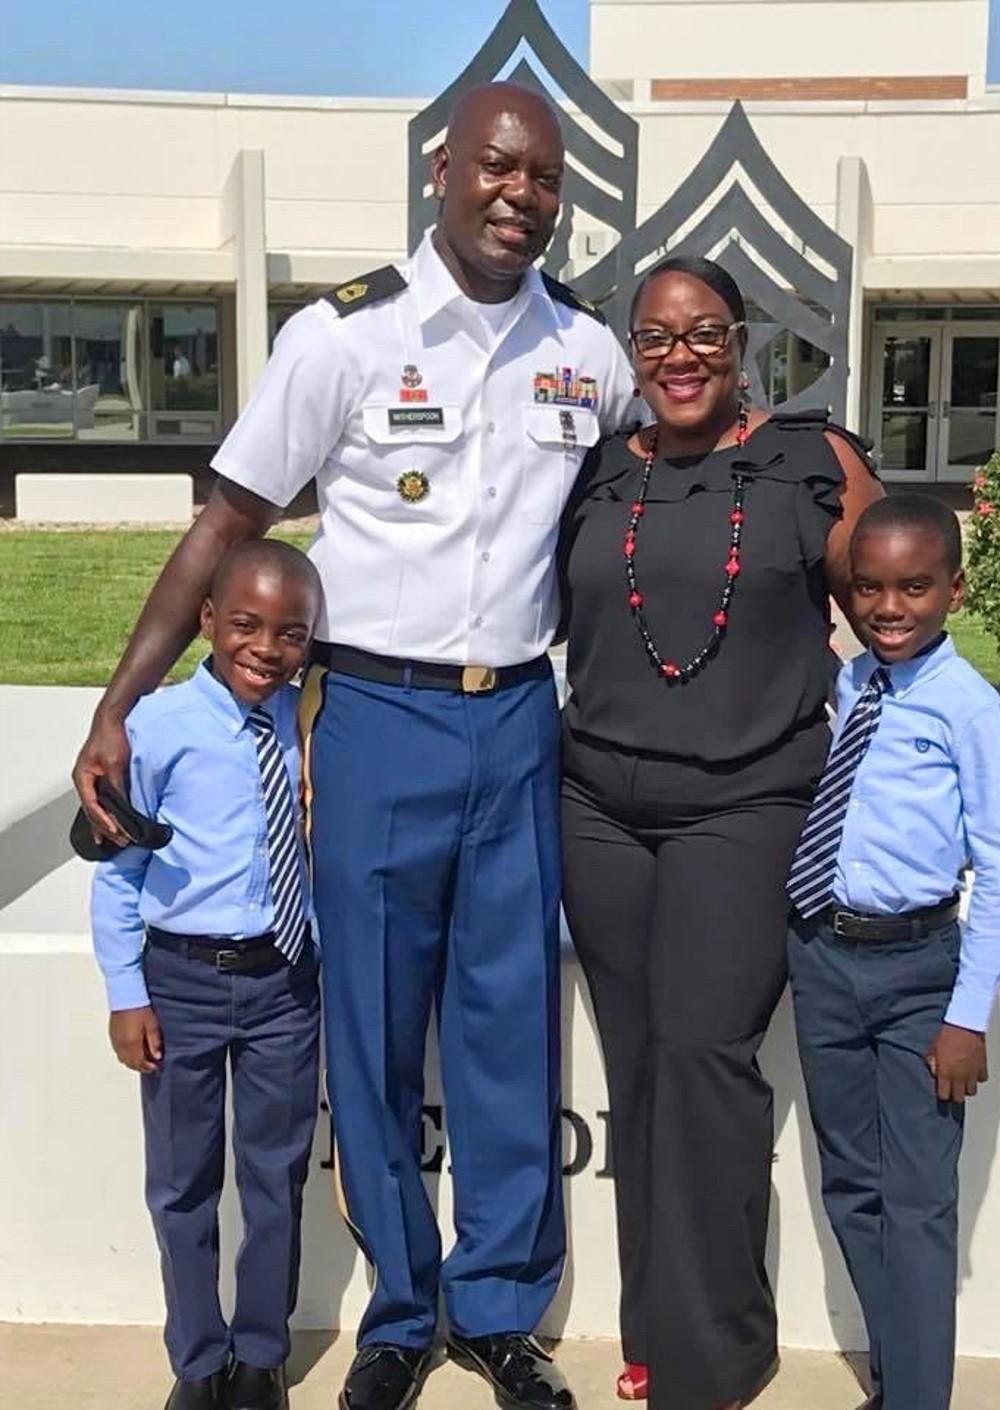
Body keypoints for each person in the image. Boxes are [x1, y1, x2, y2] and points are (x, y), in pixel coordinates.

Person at [73, 82, 638, 1410]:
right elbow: (223, 524)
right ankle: (397, 1313)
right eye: (497, 167)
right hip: (375, 715)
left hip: (516, 721)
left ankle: (500, 1313)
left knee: (507, 1026)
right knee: (372, 1026)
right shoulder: (344, 340)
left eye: (543, 178)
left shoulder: (588, 353)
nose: (518, 195)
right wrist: (117, 700)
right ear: (443, 170)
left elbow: (678, 462)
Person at [557, 254, 883, 1410]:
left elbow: (888, 613)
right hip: (595, 805)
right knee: (640, 1070)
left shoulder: (810, 458)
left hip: (747, 803)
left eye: (702, 334)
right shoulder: (597, 469)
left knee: (704, 1059)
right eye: (653, 337)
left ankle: (716, 1355)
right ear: (629, 352)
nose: (678, 356)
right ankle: (651, 1335)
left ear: (740, 341)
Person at [786, 495, 1000, 1410]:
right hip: (823, 957)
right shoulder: (848, 687)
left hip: (919, 973)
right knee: (850, 1184)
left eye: (913, 588)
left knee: (917, 1206)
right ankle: (895, 1382)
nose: (887, 607)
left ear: (952, 591)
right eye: (869, 588)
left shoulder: (967, 710)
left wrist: (965, 1017)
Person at [90, 539, 324, 1410]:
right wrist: (126, 994)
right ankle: (198, 1361)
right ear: (206, 623)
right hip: (181, 981)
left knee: (275, 1175)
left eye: (290, 633)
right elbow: (117, 870)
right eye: (246, 626)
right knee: (184, 1183)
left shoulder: (308, 724)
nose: (266, 647)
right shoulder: (152, 730)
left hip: (284, 983)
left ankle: (259, 1355)